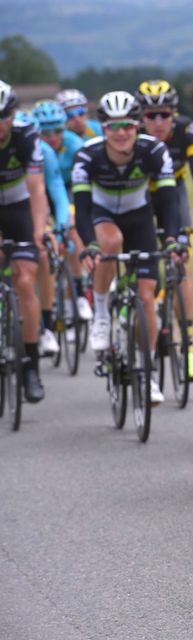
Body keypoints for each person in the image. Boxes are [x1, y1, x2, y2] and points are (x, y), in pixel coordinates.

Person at [73, 90, 182, 405]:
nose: (120, 134)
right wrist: (89, 244)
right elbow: (81, 206)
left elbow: (168, 199)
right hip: (101, 213)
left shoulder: (154, 151)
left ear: (138, 126)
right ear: (102, 128)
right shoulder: (88, 155)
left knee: (146, 296)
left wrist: (172, 238)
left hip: (139, 217)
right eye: (112, 127)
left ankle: (147, 374)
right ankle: (102, 312)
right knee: (109, 242)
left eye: (128, 126)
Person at [135, 79, 193, 381]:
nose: (158, 122)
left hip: (172, 193)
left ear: (174, 114)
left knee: (180, 261)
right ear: (140, 117)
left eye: (165, 114)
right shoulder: (129, 134)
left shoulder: (189, 130)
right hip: (137, 193)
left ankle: (187, 347)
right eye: (151, 116)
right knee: (137, 261)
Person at [0, 81, 51, 402]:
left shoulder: (26, 136)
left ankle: (31, 365)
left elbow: (37, 190)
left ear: (13, 115)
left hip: (19, 207)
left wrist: (37, 230)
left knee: (25, 278)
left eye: (2, 116)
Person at [31, 100, 92, 323]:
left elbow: (69, 190)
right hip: (39, 192)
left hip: (68, 190)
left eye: (57, 130)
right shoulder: (35, 149)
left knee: (72, 229)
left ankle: (78, 288)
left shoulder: (75, 144)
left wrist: (63, 228)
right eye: (45, 132)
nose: (52, 137)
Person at [15, 109, 70, 357]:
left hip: (34, 209)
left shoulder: (44, 153)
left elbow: (57, 195)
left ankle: (47, 326)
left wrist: (59, 230)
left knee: (43, 254)